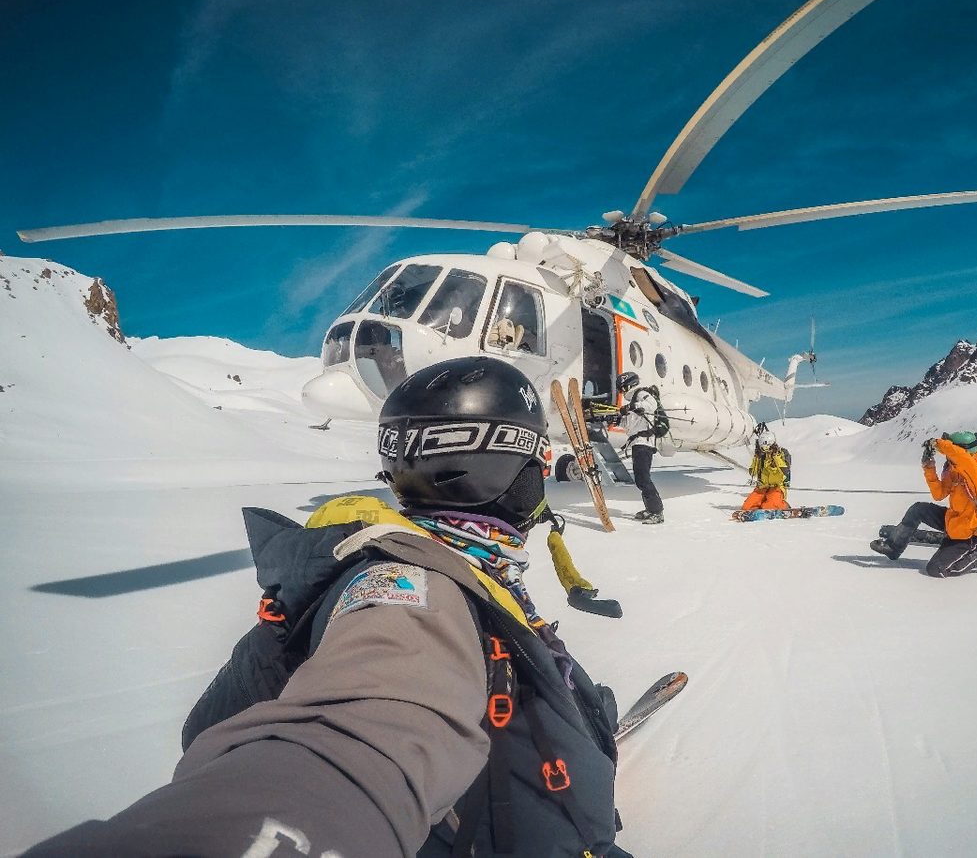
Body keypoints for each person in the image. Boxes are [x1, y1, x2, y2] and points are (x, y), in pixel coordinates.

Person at [22, 356, 625, 858]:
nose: (542, 483)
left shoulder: (441, 559)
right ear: (505, 471)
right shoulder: (410, 586)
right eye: (536, 468)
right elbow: (366, 731)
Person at [870, 431, 977, 577]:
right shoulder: (957, 471)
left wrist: (939, 444)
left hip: (969, 535)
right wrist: (929, 469)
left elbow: (961, 457)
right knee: (918, 509)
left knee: (936, 569)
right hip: (954, 524)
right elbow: (939, 494)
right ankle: (893, 547)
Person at [616, 371, 664, 524]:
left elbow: (652, 405)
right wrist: (618, 419)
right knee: (640, 479)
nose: (622, 392)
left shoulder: (641, 393)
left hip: (644, 443)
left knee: (643, 478)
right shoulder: (632, 402)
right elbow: (630, 424)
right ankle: (650, 509)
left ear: (628, 385)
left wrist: (635, 406)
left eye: (622, 389)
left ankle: (657, 512)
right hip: (637, 443)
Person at [742, 427, 791, 511]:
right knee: (747, 507)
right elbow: (752, 472)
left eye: (767, 447)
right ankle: (764, 502)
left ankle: (784, 506)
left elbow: (785, 471)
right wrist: (756, 458)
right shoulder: (760, 456)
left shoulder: (783, 453)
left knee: (768, 507)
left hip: (776, 487)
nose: (765, 450)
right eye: (763, 448)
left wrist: (776, 456)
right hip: (762, 487)